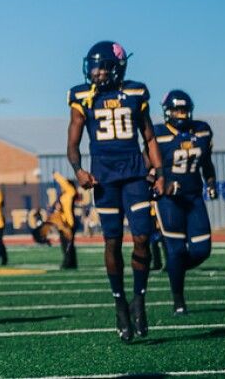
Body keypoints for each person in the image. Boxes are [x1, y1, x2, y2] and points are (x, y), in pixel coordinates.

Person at [66, 41, 164, 343]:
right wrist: (79, 171)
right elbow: (72, 143)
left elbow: (149, 137)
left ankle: (139, 298)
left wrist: (159, 173)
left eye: (102, 66)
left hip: (134, 175)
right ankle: (120, 301)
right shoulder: (82, 97)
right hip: (104, 178)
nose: (96, 72)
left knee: (143, 238)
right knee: (111, 242)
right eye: (93, 66)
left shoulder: (135, 93)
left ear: (116, 67)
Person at [152, 90, 216, 315]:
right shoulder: (158, 134)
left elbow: (206, 162)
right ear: (167, 112)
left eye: (183, 110)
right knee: (176, 250)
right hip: (169, 201)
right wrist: (163, 184)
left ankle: (175, 269)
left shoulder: (202, 130)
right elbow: (146, 170)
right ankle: (178, 298)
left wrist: (211, 181)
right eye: (176, 110)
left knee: (202, 250)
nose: (180, 114)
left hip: (194, 197)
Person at [51, 172, 79, 269]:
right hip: (63, 223)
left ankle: (67, 263)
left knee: (67, 244)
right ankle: (71, 263)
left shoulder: (70, 192)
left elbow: (64, 184)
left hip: (69, 223)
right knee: (66, 244)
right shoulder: (64, 195)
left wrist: (56, 176)